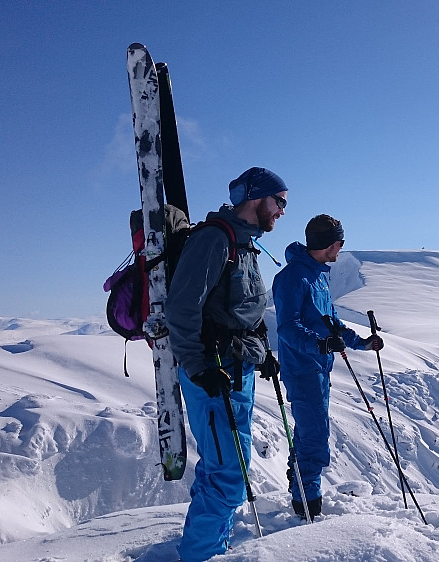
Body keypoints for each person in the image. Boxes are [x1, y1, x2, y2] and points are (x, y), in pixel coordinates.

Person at [165, 167, 288, 561]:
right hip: (213, 373)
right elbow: (181, 307)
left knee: (222, 471)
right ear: (257, 199)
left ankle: (211, 549)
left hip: (237, 371)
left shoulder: (245, 244)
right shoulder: (215, 240)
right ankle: (200, 556)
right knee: (229, 478)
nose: (283, 211)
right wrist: (198, 366)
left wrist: (263, 352)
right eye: (280, 202)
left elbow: (243, 311)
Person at [272, 214, 384, 520]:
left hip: (319, 368)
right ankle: (308, 506)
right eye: (340, 242)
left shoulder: (319, 275)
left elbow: (331, 322)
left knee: (310, 434)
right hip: (302, 369)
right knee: (314, 439)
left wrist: (362, 342)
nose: (342, 247)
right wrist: (319, 345)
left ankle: (302, 492)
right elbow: (287, 328)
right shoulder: (293, 278)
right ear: (329, 244)